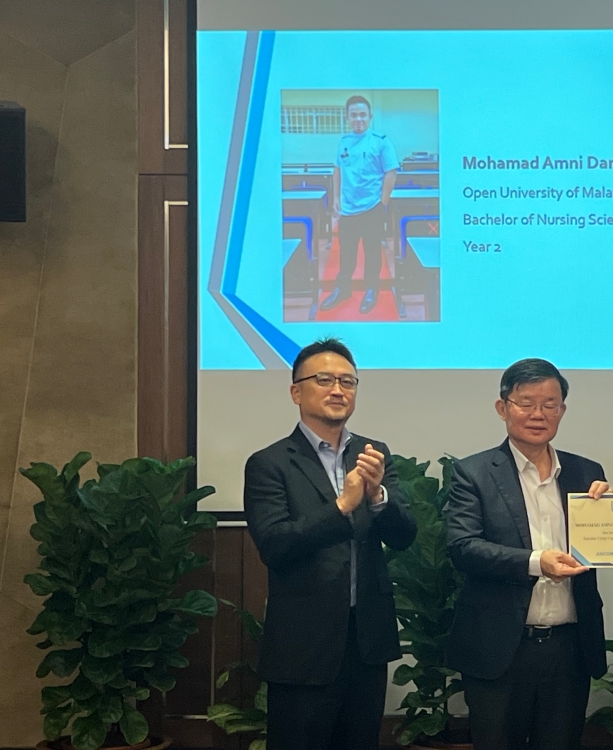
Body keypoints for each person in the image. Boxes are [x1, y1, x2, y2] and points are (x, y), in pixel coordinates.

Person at [243, 337, 416, 750]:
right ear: (296, 392)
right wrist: (341, 506)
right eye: (324, 380)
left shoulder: (373, 454)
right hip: (303, 648)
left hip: (366, 641)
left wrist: (377, 498)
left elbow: (404, 536)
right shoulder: (270, 463)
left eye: (348, 381)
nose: (338, 390)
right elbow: (276, 545)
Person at [446, 358, 611, 750]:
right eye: (526, 403)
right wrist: (537, 563)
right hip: (502, 648)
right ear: (503, 408)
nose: (538, 414)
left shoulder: (587, 472)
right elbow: (463, 546)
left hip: (569, 649)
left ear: (562, 411)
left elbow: (605, 544)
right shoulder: (474, 473)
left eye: (550, 404)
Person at [320, 94, 399, 315]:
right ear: (347, 117)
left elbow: (391, 173)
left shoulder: (381, 141)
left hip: (373, 207)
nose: (358, 119)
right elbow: (337, 171)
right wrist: (336, 198)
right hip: (348, 209)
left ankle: (371, 290)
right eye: (354, 115)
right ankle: (342, 289)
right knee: (347, 253)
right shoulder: (344, 142)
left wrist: (383, 203)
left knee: (373, 252)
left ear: (370, 116)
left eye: (363, 114)